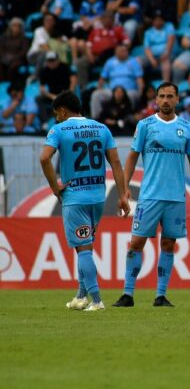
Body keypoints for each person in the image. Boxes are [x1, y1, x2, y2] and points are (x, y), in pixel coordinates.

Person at [113, 82, 190, 308]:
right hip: (149, 196)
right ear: (156, 99)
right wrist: (124, 188)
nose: (165, 100)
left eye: (170, 96)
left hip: (175, 197)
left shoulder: (186, 127)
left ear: (177, 99)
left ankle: (160, 295)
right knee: (136, 242)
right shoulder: (145, 125)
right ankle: (127, 294)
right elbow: (132, 157)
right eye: (161, 96)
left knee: (168, 244)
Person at [39, 91, 130, 312]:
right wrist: (123, 194)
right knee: (85, 247)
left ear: (62, 110)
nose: (57, 119)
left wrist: (54, 187)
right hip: (98, 197)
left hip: (74, 197)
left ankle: (97, 300)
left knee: (83, 250)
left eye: (57, 115)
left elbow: (44, 158)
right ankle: (81, 296)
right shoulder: (102, 128)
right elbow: (116, 162)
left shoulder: (59, 130)